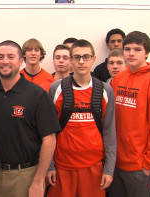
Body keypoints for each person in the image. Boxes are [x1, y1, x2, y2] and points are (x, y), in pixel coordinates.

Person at [0, 40, 60, 197]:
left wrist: (38, 181)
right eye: (0, 57)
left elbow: (49, 140)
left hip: (26, 175)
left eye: (11, 56)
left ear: (21, 61)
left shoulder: (37, 95)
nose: (5, 61)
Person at [47, 39, 116, 197]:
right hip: (62, 168)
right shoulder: (56, 89)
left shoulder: (105, 90)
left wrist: (109, 169)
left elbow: (110, 132)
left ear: (94, 59)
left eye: (86, 57)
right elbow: (49, 132)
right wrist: (50, 166)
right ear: (71, 60)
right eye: (77, 57)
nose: (81, 61)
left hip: (94, 169)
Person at [109, 31, 150, 197]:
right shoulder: (119, 78)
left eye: (137, 49)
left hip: (139, 166)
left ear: (146, 52)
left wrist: (149, 163)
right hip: (116, 163)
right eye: (127, 49)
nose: (131, 53)